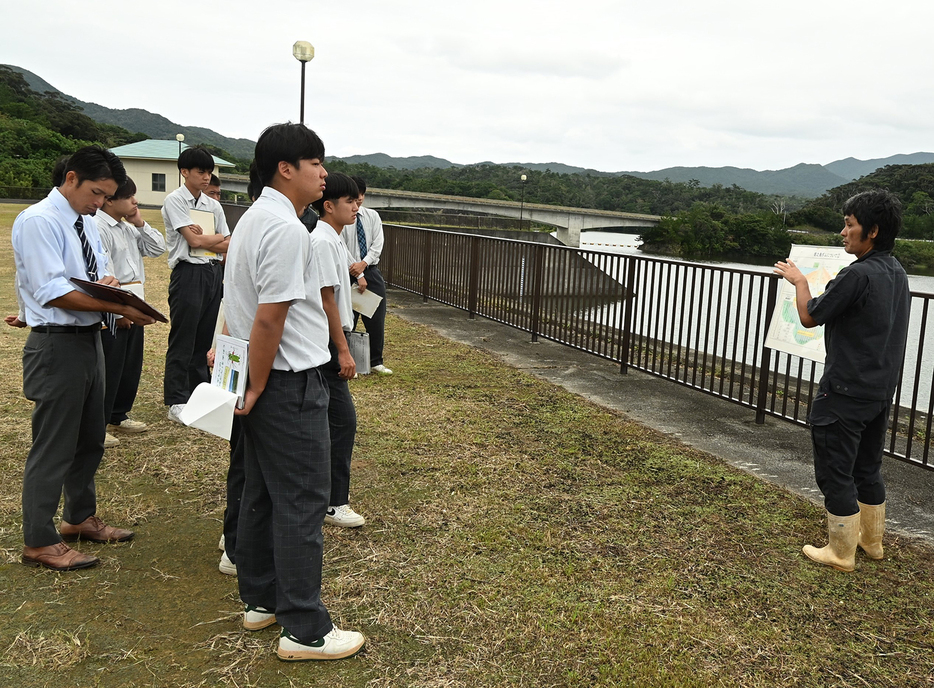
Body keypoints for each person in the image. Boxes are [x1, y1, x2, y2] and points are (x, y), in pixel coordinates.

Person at [224, 123, 365, 661]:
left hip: (264, 380)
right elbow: (269, 319)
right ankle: (305, 628)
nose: (323, 173)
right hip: (287, 381)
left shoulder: (253, 220)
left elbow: (240, 303)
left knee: (260, 491)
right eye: (316, 163)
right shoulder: (284, 229)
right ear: (287, 168)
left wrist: (244, 379)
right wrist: (259, 383)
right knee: (303, 501)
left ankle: (261, 600)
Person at [11, 145, 157, 571]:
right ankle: (39, 539)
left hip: (89, 340)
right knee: (54, 445)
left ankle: (78, 518)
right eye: (96, 192)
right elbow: (51, 289)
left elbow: (93, 278)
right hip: (57, 345)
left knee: (90, 437)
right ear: (71, 178)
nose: (100, 203)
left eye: (106, 196)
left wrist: (108, 288)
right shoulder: (39, 221)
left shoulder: (85, 223)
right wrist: (117, 306)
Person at [773, 189, 910, 572]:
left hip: (845, 390)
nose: (843, 232)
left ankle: (840, 551)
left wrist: (800, 282)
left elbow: (810, 317)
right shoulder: (896, 271)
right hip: (879, 391)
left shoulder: (857, 274)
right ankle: (872, 541)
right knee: (867, 468)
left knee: (835, 469)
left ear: (872, 231)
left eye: (849, 225)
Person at [311, 173, 367, 528]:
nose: (356, 208)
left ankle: (329, 498)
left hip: (331, 337)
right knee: (342, 421)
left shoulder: (333, 239)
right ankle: (333, 502)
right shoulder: (323, 242)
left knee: (334, 421)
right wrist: (343, 350)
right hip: (328, 340)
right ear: (328, 206)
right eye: (349, 202)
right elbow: (326, 298)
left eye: (357, 201)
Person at [96, 176, 166, 448]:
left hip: (135, 304)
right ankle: (98, 422)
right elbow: (104, 271)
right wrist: (119, 311)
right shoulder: (99, 226)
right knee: (110, 365)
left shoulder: (127, 227)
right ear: (110, 199)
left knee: (130, 364)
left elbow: (157, 248)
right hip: (116, 307)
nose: (135, 201)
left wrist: (139, 221)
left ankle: (118, 414)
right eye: (129, 197)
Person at [161, 146, 230, 422]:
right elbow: (194, 242)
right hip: (188, 272)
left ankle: (199, 394)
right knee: (184, 337)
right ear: (184, 172)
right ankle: (176, 399)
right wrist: (209, 239)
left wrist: (207, 238)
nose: (205, 177)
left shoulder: (213, 204)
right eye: (200, 171)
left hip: (213, 271)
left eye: (208, 172)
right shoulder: (175, 201)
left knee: (204, 339)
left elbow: (227, 241)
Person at [341, 176, 391, 374]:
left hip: (370, 270)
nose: (358, 200)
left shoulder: (372, 216)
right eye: (353, 196)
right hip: (348, 272)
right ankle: (346, 361)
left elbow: (377, 244)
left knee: (377, 318)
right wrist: (356, 270)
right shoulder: (343, 217)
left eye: (360, 195)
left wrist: (364, 265)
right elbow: (341, 245)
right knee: (347, 318)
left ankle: (375, 361)